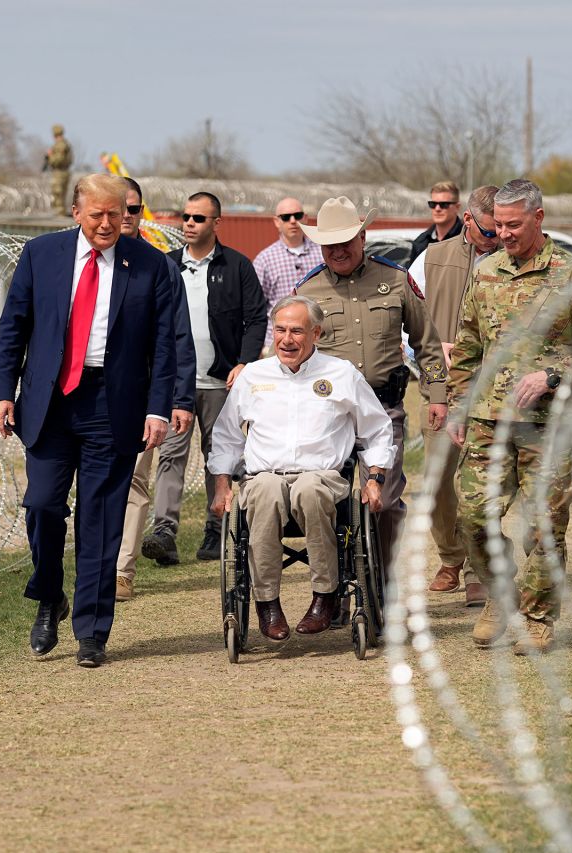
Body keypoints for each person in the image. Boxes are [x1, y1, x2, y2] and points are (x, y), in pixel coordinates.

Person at [0, 173, 188, 667]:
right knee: (41, 505)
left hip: (114, 404)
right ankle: (48, 595)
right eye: (96, 214)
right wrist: (2, 393)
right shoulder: (42, 255)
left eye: (116, 213)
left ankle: (92, 631)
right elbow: (13, 326)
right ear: (76, 213)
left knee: (101, 521)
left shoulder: (151, 266)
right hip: (50, 400)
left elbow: (165, 344)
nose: (107, 223)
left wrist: (158, 407)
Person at [446, 179, 572, 654]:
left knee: (545, 527)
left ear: (539, 219)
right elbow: (467, 344)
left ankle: (538, 617)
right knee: (473, 516)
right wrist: (458, 402)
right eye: (497, 225)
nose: (504, 233)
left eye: (513, 225)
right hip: (487, 420)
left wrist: (554, 375)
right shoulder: (485, 272)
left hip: (549, 424)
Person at [208, 295, 394, 641]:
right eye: (280, 330)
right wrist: (222, 485)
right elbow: (226, 435)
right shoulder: (253, 376)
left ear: (316, 333)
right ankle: (267, 604)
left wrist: (375, 480)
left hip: (323, 478)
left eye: (297, 330)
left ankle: (325, 597)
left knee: (309, 490)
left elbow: (377, 429)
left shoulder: (341, 374)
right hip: (265, 476)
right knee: (263, 492)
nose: (287, 339)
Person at [295, 196, 448, 573]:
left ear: (362, 237)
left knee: (387, 500)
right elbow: (292, 356)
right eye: (329, 244)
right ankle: (332, 587)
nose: (337, 251)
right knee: (325, 501)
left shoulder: (395, 279)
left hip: (384, 409)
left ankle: (383, 585)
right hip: (327, 415)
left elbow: (426, 344)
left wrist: (438, 396)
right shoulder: (307, 291)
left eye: (345, 241)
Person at [140, 191, 268, 568]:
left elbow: (256, 318)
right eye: (186, 216)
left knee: (221, 457)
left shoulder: (237, 266)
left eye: (199, 218)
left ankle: (218, 526)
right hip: (175, 384)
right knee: (170, 457)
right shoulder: (166, 265)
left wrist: (244, 362)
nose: (190, 223)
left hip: (220, 383)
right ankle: (165, 532)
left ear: (217, 223)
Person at [411, 185, 501, 606]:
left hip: (495, 390)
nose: (498, 237)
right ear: (468, 221)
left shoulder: (515, 260)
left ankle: (476, 570)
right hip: (441, 389)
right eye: (489, 230)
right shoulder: (430, 259)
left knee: (483, 483)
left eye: (503, 228)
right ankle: (450, 555)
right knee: (437, 482)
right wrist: (433, 357)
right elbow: (407, 327)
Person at [114, 177, 196, 602]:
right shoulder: (81, 260)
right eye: (120, 207)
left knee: (133, 481)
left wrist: (180, 398)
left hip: (143, 394)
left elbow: (178, 336)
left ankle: (121, 571)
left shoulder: (159, 265)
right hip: (87, 394)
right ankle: (97, 562)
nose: (127, 216)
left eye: (134, 209)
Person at [252, 197, 322, 351]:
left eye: (297, 216)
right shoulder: (265, 259)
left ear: (305, 218)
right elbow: (255, 309)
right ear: (277, 222)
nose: (292, 221)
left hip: (319, 341)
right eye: (285, 217)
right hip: (279, 343)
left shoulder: (323, 253)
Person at [407, 180, 464, 267]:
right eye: (433, 204)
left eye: (444, 204)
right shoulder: (421, 241)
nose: (437, 209)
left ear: (457, 207)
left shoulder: (467, 240)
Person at [45, 124, 73, 216]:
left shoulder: (60, 145)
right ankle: (60, 213)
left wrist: (50, 156)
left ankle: (59, 214)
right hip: (63, 171)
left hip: (59, 172)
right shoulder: (65, 143)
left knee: (58, 193)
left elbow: (58, 160)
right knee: (60, 194)